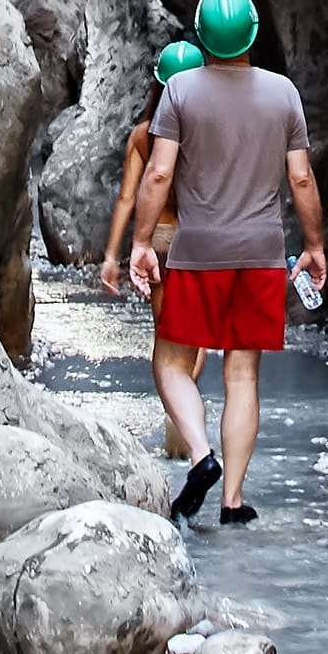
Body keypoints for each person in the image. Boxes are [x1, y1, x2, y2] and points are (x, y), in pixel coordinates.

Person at [130, 0, 326, 526]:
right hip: (261, 254)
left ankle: (200, 457)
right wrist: (313, 246)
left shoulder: (181, 92)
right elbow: (302, 177)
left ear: (200, 36)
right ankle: (233, 502)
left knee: (171, 362)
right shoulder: (283, 93)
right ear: (254, 34)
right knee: (243, 376)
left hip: (197, 253)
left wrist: (142, 244)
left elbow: (160, 172)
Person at [101, 40, 207, 458]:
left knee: (167, 333)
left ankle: (175, 414)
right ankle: (184, 418)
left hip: (160, 238)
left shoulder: (144, 136)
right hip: (199, 237)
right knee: (195, 336)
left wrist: (113, 255)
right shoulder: (208, 129)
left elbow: (128, 198)